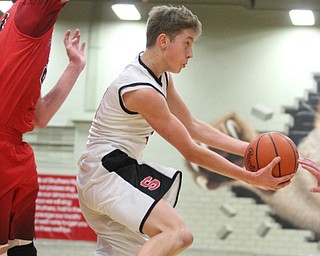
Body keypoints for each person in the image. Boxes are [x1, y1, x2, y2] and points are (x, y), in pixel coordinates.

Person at [76, 5, 293, 256]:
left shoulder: (159, 77)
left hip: (104, 174)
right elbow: (192, 151)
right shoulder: (141, 89)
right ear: (164, 40)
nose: (191, 53)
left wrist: (252, 150)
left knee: (133, 250)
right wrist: (250, 177)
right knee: (177, 234)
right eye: (187, 43)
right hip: (107, 172)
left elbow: (194, 126)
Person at [0, 0, 86, 255]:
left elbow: (41, 115)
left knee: (23, 249)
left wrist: (75, 67)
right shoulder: (30, 11)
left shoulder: (21, 36)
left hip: (17, 152)